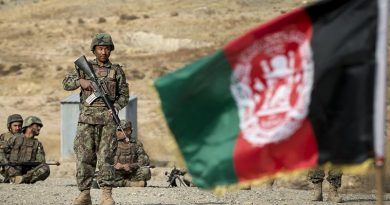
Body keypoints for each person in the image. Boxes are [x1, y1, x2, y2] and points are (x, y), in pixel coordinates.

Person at [63, 33, 129, 205]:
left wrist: (116, 107)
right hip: (86, 121)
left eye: (107, 48)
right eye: (100, 48)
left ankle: (106, 195)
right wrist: (80, 81)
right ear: (94, 50)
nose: (103, 52)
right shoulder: (83, 68)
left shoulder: (117, 71)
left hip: (107, 122)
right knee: (84, 157)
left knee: (106, 158)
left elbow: (124, 95)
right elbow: (66, 83)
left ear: (111, 50)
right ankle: (84, 194)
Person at [0, 116, 50, 184]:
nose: (39, 128)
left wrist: (27, 174)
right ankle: (14, 179)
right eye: (37, 126)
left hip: (27, 173)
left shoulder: (37, 144)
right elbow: (1, 152)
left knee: (45, 168)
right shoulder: (15, 139)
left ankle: (21, 180)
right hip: (12, 170)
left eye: (40, 126)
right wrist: (8, 167)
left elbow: (40, 162)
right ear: (29, 126)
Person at [113, 120, 151, 187]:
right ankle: (131, 184)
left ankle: (125, 182)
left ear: (129, 131)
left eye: (121, 130)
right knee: (104, 175)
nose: (118, 132)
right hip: (117, 173)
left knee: (146, 171)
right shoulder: (112, 143)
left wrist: (130, 166)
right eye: (117, 130)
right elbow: (104, 159)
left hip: (132, 173)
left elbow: (145, 161)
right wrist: (114, 164)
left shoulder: (136, 144)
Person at [0, 114, 23, 182]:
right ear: (9, 126)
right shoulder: (3, 137)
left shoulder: (25, 137)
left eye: (19, 126)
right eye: (15, 126)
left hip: (20, 165)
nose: (17, 128)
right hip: (6, 165)